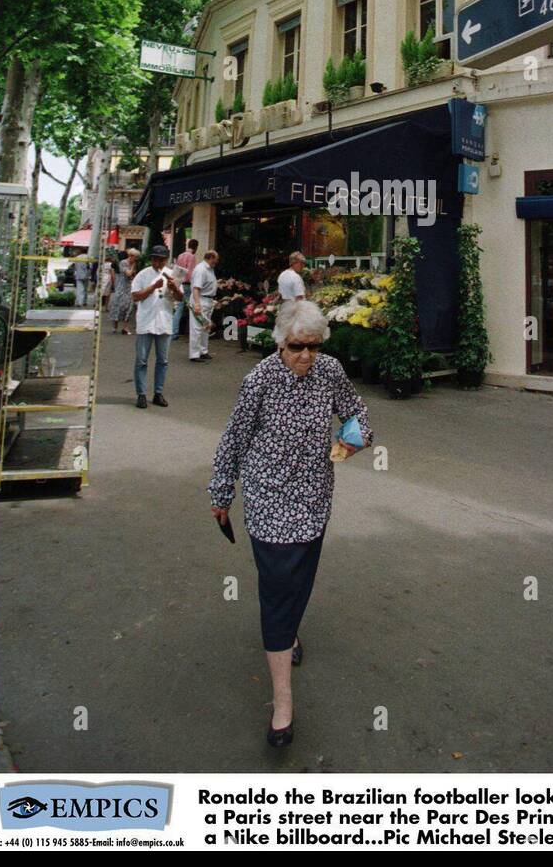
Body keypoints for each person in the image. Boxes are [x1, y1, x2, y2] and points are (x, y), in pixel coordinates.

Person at [209, 298, 372, 747]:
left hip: (315, 497)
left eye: (314, 347)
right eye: (298, 347)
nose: (306, 357)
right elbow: (235, 437)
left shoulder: (330, 371)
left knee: (298, 582)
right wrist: (221, 492)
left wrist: (348, 444)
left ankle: (289, 630)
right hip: (268, 498)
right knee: (279, 587)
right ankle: (283, 703)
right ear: (281, 342)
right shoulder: (259, 380)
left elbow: (358, 414)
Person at [131, 246, 183, 409]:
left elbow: (180, 298)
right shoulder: (143, 274)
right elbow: (135, 296)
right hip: (146, 322)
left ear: (166, 260)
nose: (157, 262)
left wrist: (174, 287)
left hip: (164, 321)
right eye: (154, 259)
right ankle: (141, 394)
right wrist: (153, 287)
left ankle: (158, 393)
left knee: (163, 361)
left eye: (161, 259)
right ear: (151, 259)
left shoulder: (172, 274)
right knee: (141, 360)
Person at [190, 249, 219, 362]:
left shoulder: (209, 268)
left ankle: (203, 351)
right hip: (200, 300)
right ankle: (194, 354)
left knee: (205, 327)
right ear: (211, 257)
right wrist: (197, 304)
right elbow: (196, 288)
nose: (216, 262)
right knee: (197, 327)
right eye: (216, 259)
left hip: (206, 300)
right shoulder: (201, 269)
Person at [172, 238, 199, 338]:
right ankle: (193, 330)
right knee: (192, 306)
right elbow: (190, 273)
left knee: (179, 308)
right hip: (187, 284)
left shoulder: (180, 255)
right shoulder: (192, 257)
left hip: (179, 284)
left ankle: (174, 332)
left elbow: (177, 271)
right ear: (196, 247)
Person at [109, 250, 138, 333]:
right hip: (121, 288)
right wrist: (133, 266)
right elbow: (128, 273)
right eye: (135, 257)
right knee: (118, 306)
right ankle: (115, 327)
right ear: (131, 255)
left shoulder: (133, 264)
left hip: (129, 288)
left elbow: (132, 276)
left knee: (128, 307)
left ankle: (125, 327)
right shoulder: (123, 262)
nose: (136, 259)